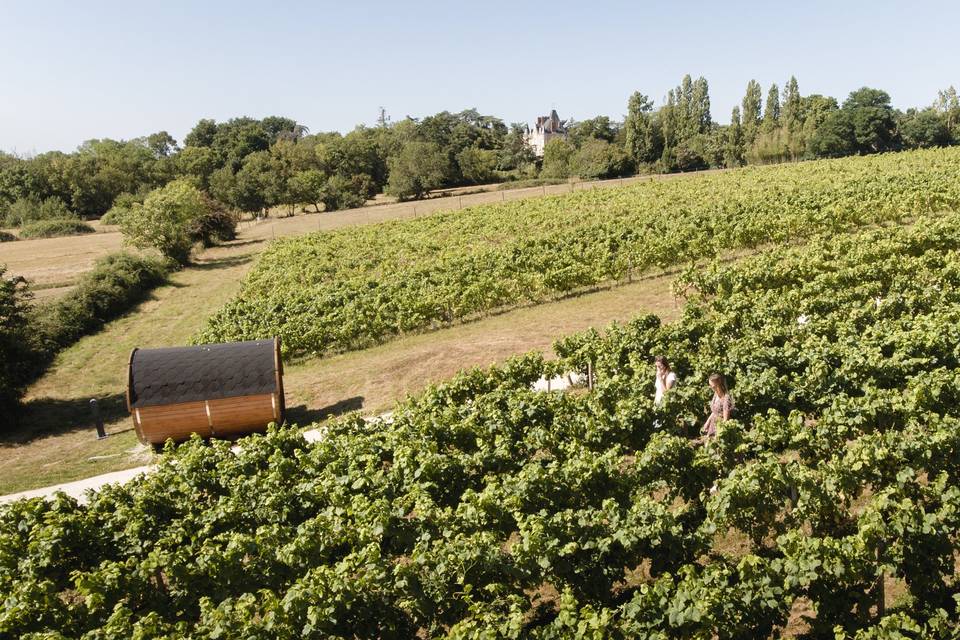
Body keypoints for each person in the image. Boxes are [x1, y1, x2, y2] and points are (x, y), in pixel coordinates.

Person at [702, 373, 734, 439]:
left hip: (719, 430)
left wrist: (718, 435)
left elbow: (725, 420)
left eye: (713, 386)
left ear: (718, 384)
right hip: (712, 427)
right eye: (710, 385)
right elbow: (715, 411)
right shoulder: (715, 394)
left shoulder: (726, 398)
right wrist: (707, 422)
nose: (710, 387)